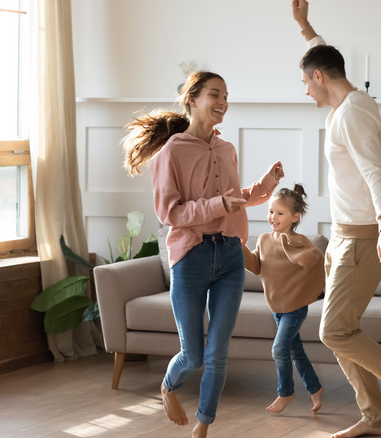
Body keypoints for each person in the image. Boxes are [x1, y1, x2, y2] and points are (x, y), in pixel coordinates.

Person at [290, 2, 381, 438]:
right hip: (341, 237)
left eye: (306, 82)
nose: (306, 92)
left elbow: (375, 171)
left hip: (361, 239)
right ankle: (374, 418)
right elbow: (321, 54)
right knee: (341, 331)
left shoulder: (351, 112)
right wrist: (305, 27)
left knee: (334, 330)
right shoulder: (351, 102)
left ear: (319, 77)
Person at [121, 71, 284, 438]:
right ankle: (168, 386)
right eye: (215, 94)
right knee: (193, 355)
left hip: (229, 255)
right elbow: (169, 213)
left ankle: (203, 427)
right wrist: (216, 205)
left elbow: (233, 200)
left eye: (226, 95)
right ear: (192, 99)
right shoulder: (171, 152)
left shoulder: (227, 149)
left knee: (218, 354)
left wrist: (265, 186)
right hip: (191, 257)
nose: (223, 101)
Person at [241, 184, 325, 415]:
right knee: (295, 351)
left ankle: (285, 391)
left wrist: (288, 247)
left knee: (279, 349)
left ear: (295, 217)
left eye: (280, 213)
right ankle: (315, 389)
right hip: (277, 307)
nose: (273, 217)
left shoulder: (300, 241)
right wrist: (241, 250)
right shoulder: (264, 239)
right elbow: (257, 266)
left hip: (295, 307)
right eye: (270, 211)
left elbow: (311, 260)